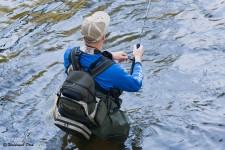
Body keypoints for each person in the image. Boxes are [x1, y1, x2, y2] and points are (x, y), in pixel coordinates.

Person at [63, 11, 144, 142]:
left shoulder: (69, 54)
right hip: (97, 116)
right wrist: (138, 58)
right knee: (124, 130)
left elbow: (85, 59)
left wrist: (109, 55)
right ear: (104, 37)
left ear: (81, 33)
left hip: (76, 109)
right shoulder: (112, 70)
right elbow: (136, 84)